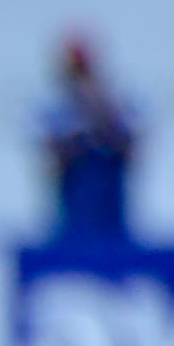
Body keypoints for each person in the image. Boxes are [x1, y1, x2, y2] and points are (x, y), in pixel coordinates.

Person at [36, 29, 139, 244]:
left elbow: (129, 143)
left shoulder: (114, 101)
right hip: (73, 197)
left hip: (108, 199)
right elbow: (51, 151)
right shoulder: (56, 106)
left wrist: (101, 118)